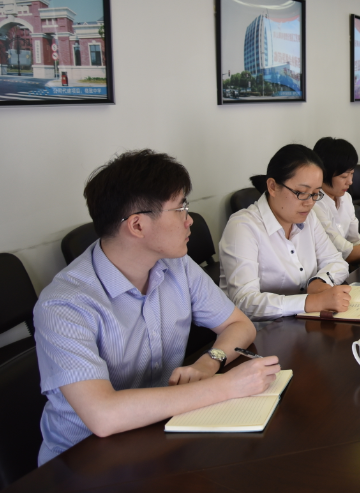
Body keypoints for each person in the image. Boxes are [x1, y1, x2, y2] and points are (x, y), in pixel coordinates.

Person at [34, 150, 279, 465]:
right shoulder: (64, 304)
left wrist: (209, 363)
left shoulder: (176, 265)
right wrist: (226, 386)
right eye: (180, 209)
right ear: (137, 225)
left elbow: (238, 325)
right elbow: (103, 416)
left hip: (161, 432)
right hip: (84, 461)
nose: (190, 220)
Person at [219, 144, 351, 320]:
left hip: (302, 322)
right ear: (273, 186)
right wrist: (311, 301)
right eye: (302, 192)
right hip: (261, 330)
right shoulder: (243, 227)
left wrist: (318, 282)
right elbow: (245, 302)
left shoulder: (308, 218)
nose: (310, 202)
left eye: (316, 193)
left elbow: (337, 261)